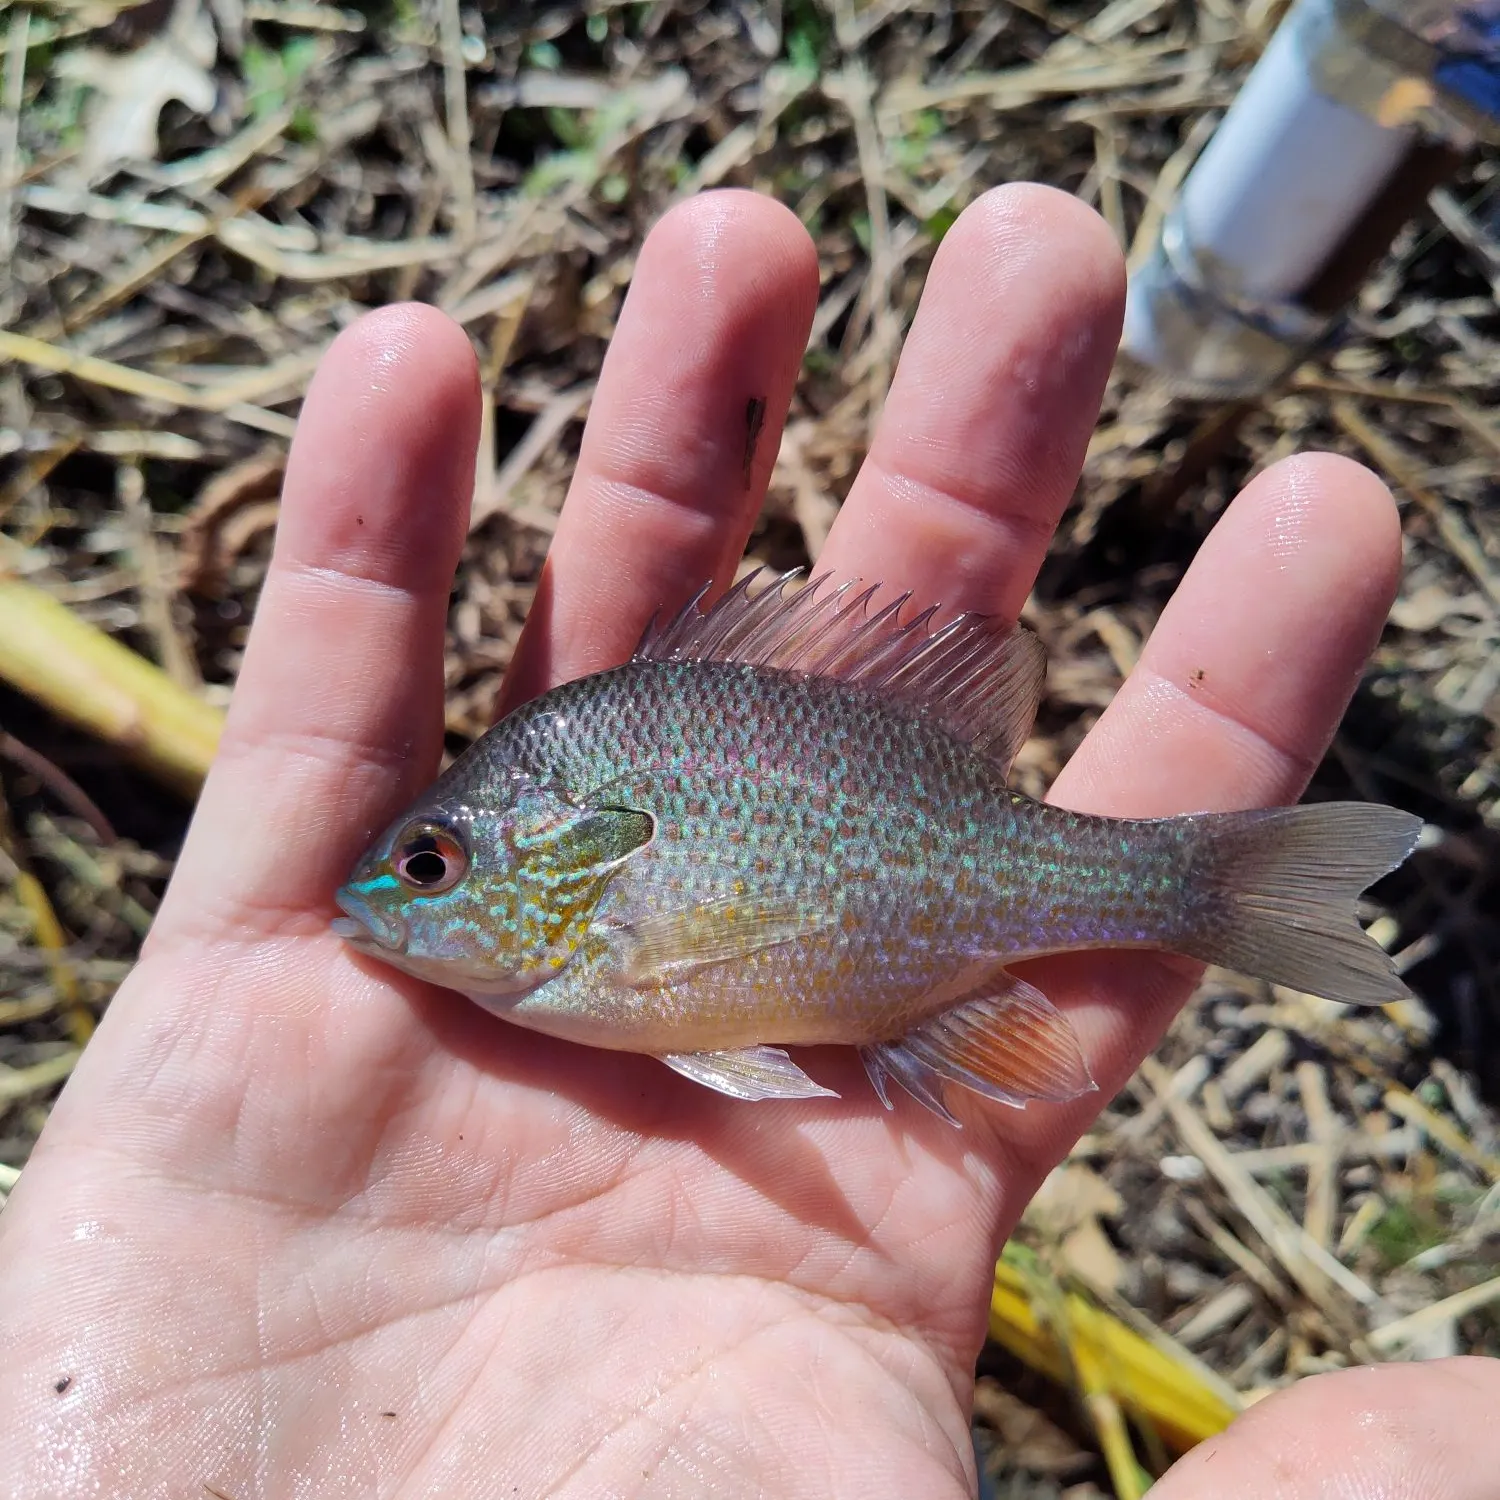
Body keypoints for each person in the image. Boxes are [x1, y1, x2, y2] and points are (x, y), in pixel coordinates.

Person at [0, 185, 1493, 1499]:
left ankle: (1210, 883)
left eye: (436, 866)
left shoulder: (605, 921)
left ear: (560, 853)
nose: (395, 898)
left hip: (961, 922)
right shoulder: (581, 911)